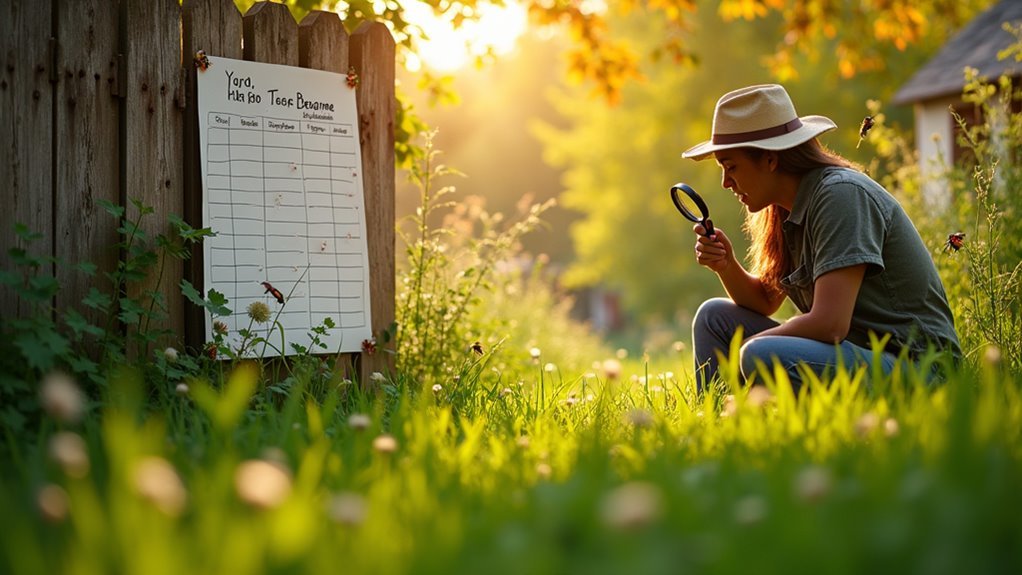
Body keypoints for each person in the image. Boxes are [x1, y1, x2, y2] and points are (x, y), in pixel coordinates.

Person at [682, 84, 961, 393]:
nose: (725, 182)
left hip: (918, 369)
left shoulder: (840, 196)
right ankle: (720, 428)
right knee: (713, 317)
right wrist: (726, 265)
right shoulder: (784, 211)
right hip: (856, 356)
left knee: (759, 354)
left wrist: (751, 344)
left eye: (731, 166)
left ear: (770, 160)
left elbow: (830, 324)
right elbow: (764, 301)